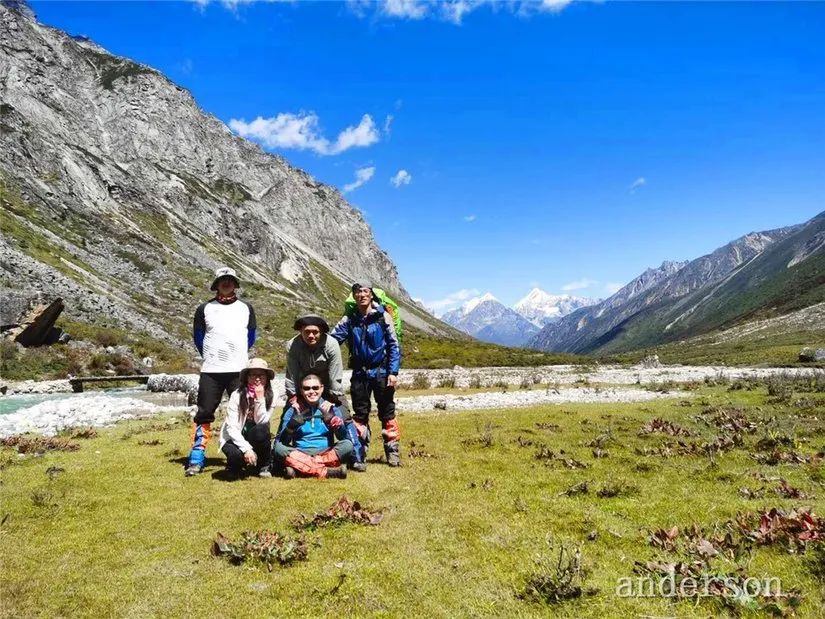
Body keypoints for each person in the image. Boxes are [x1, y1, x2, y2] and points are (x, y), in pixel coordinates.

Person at [185, 267, 256, 476]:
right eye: (222, 280)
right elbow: (198, 338)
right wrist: (211, 355)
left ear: (235, 284)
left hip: (239, 370)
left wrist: (238, 354)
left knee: (243, 412)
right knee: (204, 412)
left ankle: (243, 454)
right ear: (216, 284)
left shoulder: (246, 308)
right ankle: (197, 457)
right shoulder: (204, 309)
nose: (226, 283)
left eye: (230, 279)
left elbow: (250, 336)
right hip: (211, 370)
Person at [331, 280, 401, 469]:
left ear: (371, 294)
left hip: (382, 371)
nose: (361, 295)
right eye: (357, 292)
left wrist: (393, 372)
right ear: (354, 296)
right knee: (360, 414)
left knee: (387, 412)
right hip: (360, 373)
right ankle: (359, 451)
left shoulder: (383, 317)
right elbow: (333, 339)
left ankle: (392, 451)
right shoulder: (350, 319)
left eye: (364, 291)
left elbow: (394, 345)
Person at [272, 374, 352, 479]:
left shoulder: (331, 408)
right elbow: (283, 441)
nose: (311, 391)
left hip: (325, 451)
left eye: (315, 388)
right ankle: (327, 472)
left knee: (347, 445)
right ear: (301, 390)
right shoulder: (293, 410)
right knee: (278, 447)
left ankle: (300, 468)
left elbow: (343, 437)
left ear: (322, 388)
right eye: (306, 388)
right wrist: (291, 427)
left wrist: (336, 425)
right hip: (300, 451)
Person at [218, 358, 275, 479]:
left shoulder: (272, 394)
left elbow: (262, 421)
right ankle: (236, 466)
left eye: (261, 375)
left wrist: (260, 399)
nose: (257, 378)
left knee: (261, 430)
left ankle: (264, 465)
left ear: (267, 378)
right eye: (253, 375)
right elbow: (231, 427)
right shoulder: (237, 395)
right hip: (234, 437)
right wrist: (247, 449)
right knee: (235, 455)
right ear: (246, 377)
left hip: (255, 434)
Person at [284, 314, 345, 408]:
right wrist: (293, 397)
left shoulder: (332, 344)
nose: (311, 336)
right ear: (300, 331)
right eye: (307, 332)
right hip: (304, 388)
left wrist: (333, 397)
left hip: (328, 386)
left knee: (343, 414)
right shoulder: (293, 345)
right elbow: (292, 374)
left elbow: (335, 374)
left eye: (315, 332)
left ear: (321, 332)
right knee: (289, 416)